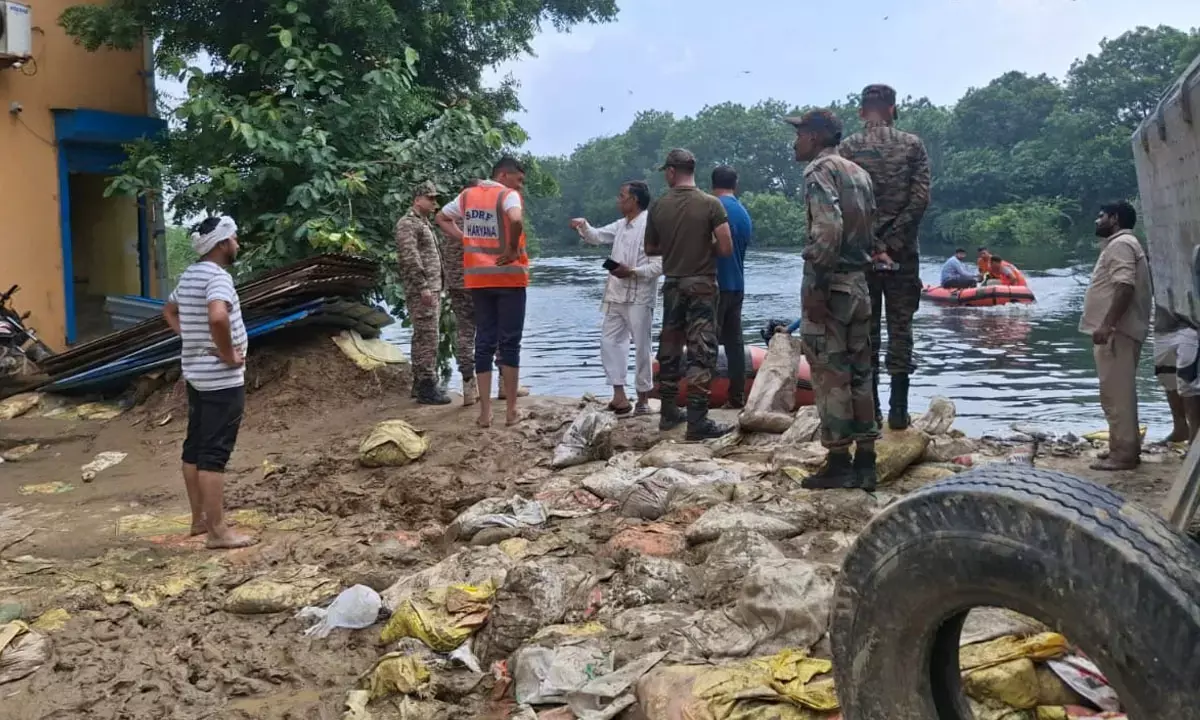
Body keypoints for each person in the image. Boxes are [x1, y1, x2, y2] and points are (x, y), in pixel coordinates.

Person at [786, 109, 880, 490]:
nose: (796, 142)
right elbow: (870, 231)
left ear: (815, 136)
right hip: (859, 286)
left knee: (829, 374)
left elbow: (827, 230)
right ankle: (867, 461)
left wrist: (817, 288)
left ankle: (839, 461)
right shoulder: (860, 174)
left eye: (799, 135)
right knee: (861, 371)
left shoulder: (819, 171)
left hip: (833, 286)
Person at [838, 84, 932, 431]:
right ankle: (899, 411)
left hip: (861, 254)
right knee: (901, 327)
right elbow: (920, 199)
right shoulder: (913, 145)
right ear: (893, 108)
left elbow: (844, 205)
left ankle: (872, 411)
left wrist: (873, 243)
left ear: (862, 111)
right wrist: (892, 243)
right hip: (903, 253)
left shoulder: (847, 149)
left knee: (865, 332)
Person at [162, 216, 256, 550]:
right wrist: (228, 355)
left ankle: (198, 520)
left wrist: (192, 338)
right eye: (235, 239)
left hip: (197, 376)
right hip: (221, 381)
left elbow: (169, 311)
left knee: (195, 447)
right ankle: (217, 532)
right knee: (214, 454)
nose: (238, 244)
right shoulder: (218, 278)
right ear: (223, 243)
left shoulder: (190, 275)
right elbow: (218, 316)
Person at [644, 148, 735, 440]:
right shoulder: (711, 204)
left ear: (672, 172)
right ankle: (697, 421)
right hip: (702, 286)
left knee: (670, 347)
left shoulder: (658, 206)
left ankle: (668, 412)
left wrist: (674, 247)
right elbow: (726, 248)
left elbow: (650, 248)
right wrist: (703, 244)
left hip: (673, 285)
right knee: (701, 351)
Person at [436, 157, 529, 428]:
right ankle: (511, 412)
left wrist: (463, 237)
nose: (520, 186)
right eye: (518, 180)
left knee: (484, 342)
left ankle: (485, 414)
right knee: (509, 343)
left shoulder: (467, 196)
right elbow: (516, 220)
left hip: (478, 280)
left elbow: (441, 217)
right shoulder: (507, 196)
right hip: (509, 279)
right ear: (503, 176)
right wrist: (511, 249)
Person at [571, 181, 661, 416]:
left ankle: (643, 399)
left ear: (634, 200)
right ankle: (619, 396)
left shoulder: (651, 226)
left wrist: (632, 272)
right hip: (616, 293)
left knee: (642, 346)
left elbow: (660, 266)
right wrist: (584, 226)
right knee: (609, 342)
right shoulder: (622, 225)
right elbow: (597, 236)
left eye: (622, 196)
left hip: (639, 295)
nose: (618, 200)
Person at [1079, 200, 1152, 471]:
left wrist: (1107, 325)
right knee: (1113, 392)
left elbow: (1124, 286)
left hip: (1118, 332)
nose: (1097, 221)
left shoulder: (1121, 245)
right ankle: (1120, 447)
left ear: (1115, 218)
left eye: (1102, 216)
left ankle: (1124, 454)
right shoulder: (1122, 244)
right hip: (1119, 332)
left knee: (1118, 394)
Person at [396, 181, 451, 405]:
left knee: (426, 336)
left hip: (432, 288)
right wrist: (423, 286)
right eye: (430, 198)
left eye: (435, 198)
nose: (434, 203)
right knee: (427, 336)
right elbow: (409, 257)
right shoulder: (408, 224)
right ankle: (427, 387)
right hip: (423, 290)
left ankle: (421, 384)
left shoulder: (423, 223)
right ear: (417, 199)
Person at [711, 165, 754, 409]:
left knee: (707, 343)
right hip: (737, 284)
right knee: (734, 343)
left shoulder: (713, 208)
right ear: (735, 184)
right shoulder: (743, 213)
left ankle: (701, 398)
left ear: (712, 184)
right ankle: (736, 396)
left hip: (715, 284)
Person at [440, 178, 480, 407]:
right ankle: (503, 384)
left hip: (456, 285)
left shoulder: (449, 222)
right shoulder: (479, 220)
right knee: (490, 332)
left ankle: (468, 387)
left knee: (465, 333)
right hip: (479, 283)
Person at [1153, 307, 1200, 444]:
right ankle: (1180, 429)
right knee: (1167, 377)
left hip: (1193, 323)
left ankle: (1195, 437)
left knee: (1189, 380)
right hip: (1163, 325)